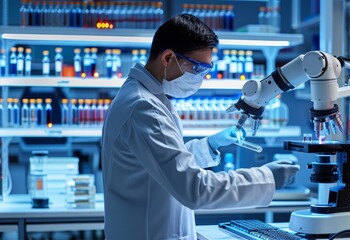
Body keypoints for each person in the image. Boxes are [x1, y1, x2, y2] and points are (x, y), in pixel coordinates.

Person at [101, 14, 300, 240]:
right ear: (168, 58)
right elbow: (194, 188)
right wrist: (266, 178)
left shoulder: (148, 98)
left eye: (207, 70)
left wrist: (210, 145)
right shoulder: (145, 108)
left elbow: (166, 164)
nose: (202, 78)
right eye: (197, 69)